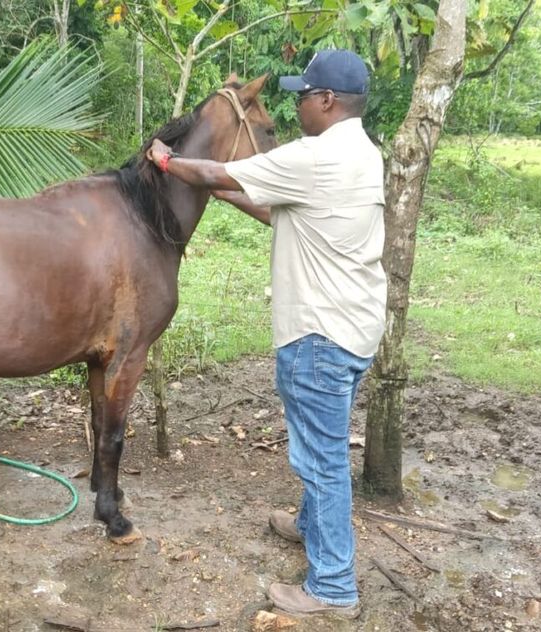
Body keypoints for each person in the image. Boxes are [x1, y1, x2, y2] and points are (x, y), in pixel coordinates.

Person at [145, 49, 386, 619]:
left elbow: (214, 169)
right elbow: (280, 211)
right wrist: (219, 191)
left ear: (327, 101)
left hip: (318, 336)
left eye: (303, 95)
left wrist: (166, 161)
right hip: (355, 329)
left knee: (321, 461)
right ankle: (310, 528)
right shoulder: (362, 151)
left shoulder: (316, 154)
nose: (297, 104)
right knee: (325, 450)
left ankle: (333, 586)